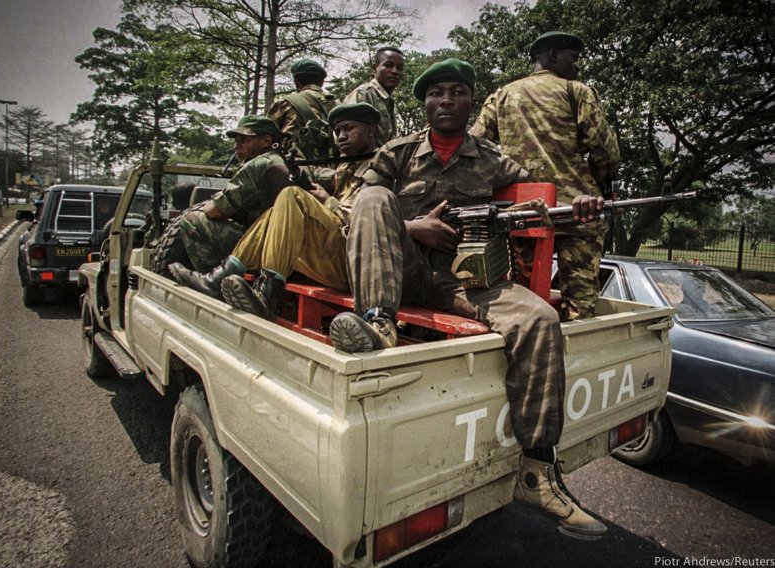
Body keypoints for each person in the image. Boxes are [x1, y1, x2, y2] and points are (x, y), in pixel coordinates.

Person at [328, 58, 608, 539]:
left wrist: (578, 208)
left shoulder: (493, 159)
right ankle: (377, 322)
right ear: (425, 103)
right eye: (437, 93)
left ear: (470, 101)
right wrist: (415, 227)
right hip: (404, 273)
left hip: (468, 277)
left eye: (457, 92)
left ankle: (537, 472)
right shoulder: (395, 153)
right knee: (375, 200)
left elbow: (536, 209)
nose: (447, 101)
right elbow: (349, 211)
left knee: (540, 319)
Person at [170, 102, 381, 311]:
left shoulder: (383, 167)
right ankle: (219, 280)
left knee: (292, 196)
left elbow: (370, 225)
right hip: (335, 253)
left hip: (355, 262)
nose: (341, 136)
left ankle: (267, 293)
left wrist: (326, 201)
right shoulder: (345, 166)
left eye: (349, 128)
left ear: (371, 130)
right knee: (274, 212)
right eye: (337, 130)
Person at [471, 31, 620, 319]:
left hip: (524, 212)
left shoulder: (501, 96)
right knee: (580, 304)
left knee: (526, 300)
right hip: (578, 211)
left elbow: (476, 145)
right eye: (573, 58)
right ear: (553, 56)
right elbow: (606, 152)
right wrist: (604, 182)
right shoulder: (576, 91)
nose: (577, 66)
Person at [171, 115, 290, 279]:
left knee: (192, 220)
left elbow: (215, 210)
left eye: (244, 140)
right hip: (285, 247)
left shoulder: (259, 164)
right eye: (236, 140)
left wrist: (206, 204)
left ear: (266, 141)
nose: (237, 146)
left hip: (262, 246)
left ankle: (214, 281)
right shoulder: (287, 162)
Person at [267, 59, 338, 160]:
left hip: (294, 167)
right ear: (321, 82)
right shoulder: (337, 105)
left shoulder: (285, 103)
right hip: (335, 167)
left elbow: (265, 137)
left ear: (296, 82)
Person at [344, 46, 405, 147]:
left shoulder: (389, 100)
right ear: (375, 68)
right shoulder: (363, 94)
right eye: (388, 65)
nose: (394, 71)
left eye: (400, 68)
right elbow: (349, 140)